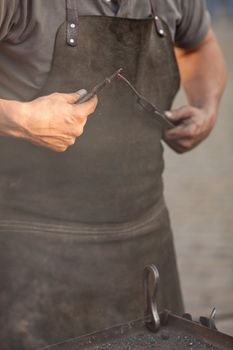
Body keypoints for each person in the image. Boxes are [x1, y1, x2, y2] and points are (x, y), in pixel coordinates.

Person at [0, 0, 226, 349]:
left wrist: (207, 106)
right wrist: (19, 120)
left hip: (147, 250)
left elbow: (200, 46)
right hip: (30, 250)